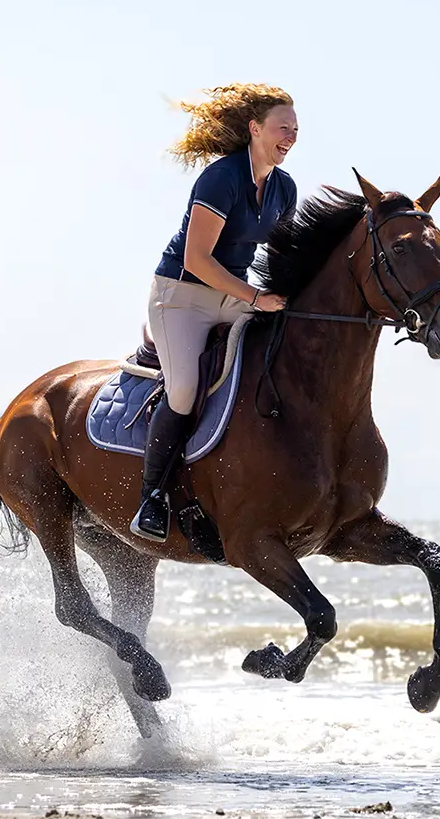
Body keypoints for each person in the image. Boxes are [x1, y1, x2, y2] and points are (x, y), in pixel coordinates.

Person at [130, 83, 299, 542]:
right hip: (181, 295)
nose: (291, 135)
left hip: (234, 296)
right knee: (183, 391)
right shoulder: (221, 178)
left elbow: (282, 259)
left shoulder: (285, 187)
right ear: (254, 129)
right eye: (283, 127)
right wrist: (254, 298)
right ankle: (152, 498)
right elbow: (196, 260)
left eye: (296, 130)